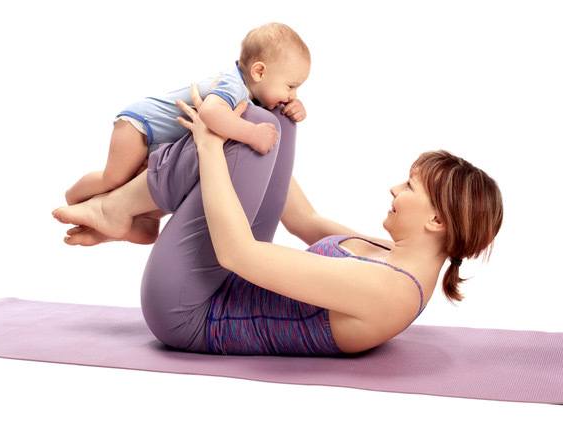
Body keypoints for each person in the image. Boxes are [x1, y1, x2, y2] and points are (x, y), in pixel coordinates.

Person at [51, 85, 503, 356]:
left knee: (238, 137)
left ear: (438, 219)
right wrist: (280, 123)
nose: (394, 189)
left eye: (409, 187)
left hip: (188, 313)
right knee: (267, 125)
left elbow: (238, 253)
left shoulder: (391, 291)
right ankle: (134, 213)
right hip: (218, 283)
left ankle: (117, 208)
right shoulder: (389, 256)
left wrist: (212, 146)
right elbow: (303, 220)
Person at [59, 22, 310, 244]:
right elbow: (211, 114)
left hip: (161, 144)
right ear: (259, 72)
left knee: (160, 182)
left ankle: (143, 222)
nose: (292, 95)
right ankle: (77, 199)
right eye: (291, 86)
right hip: (140, 127)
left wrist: (294, 107)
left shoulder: (252, 94)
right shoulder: (233, 85)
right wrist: (252, 134)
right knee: (114, 178)